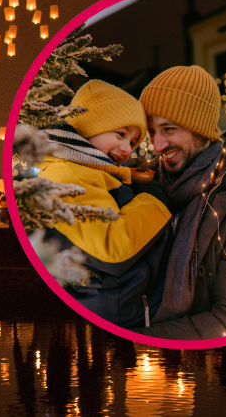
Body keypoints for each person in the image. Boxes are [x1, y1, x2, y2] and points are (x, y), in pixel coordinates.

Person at [30, 80, 173, 328]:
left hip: (125, 305)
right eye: (121, 134)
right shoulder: (66, 176)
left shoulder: (90, 173)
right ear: (88, 126)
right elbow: (112, 245)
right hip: (118, 311)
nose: (127, 149)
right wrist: (152, 199)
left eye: (132, 142)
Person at [135, 65, 226, 340]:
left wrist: (141, 338)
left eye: (169, 129)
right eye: (151, 131)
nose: (157, 145)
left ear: (201, 128)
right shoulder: (143, 183)